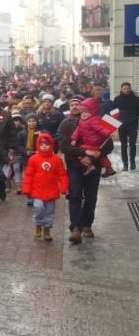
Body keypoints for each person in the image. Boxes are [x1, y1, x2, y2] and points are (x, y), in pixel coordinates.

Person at [58, 97, 104, 243]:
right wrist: (84, 153)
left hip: (94, 166)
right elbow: (64, 146)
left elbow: (106, 144)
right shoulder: (66, 123)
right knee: (75, 196)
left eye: (78, 104)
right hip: (74, 166)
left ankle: (87, 225)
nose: (75, 107)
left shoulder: (98, 120)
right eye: (72, 105)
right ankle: (75, 228)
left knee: (91, 196)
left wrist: (93, 157)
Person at [21, 133, 68, 241]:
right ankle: (38, 225)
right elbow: (28, 175)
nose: (44, 146)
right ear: (38, 145)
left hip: (51, 191)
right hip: (37, 191)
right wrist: (26, 189)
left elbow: (62, 175)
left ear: (51, 145)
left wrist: (64, 187)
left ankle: (47, 230)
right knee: (38, 208)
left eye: (46, 144)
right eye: (41, 144)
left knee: (49, 211)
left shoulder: (57, 160)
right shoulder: (33, 159)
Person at [70, 98, 116, 176]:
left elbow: (100, 129)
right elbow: (78, 130)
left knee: (81, 152)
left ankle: (89, 166)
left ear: (92, 111)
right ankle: (109, 168)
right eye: (82, 112)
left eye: (86, 112)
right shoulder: (82, 121)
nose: (83, 114)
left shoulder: (94, 120)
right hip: (91, 141)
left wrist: (108, 133)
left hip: (93, 142)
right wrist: (74, 138)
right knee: (102, 157)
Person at [112, 82, 138, 170]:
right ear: (121, 89)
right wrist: (115, 123)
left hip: (133, 124)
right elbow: (114, 112)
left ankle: (132, 163)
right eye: (124, 89)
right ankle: (125, 164)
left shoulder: (136, 99)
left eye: (128, 88)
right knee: (123, 144)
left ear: (130, 89)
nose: (126, 90)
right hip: (122, 125)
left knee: (132, 144)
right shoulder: (117, 99)